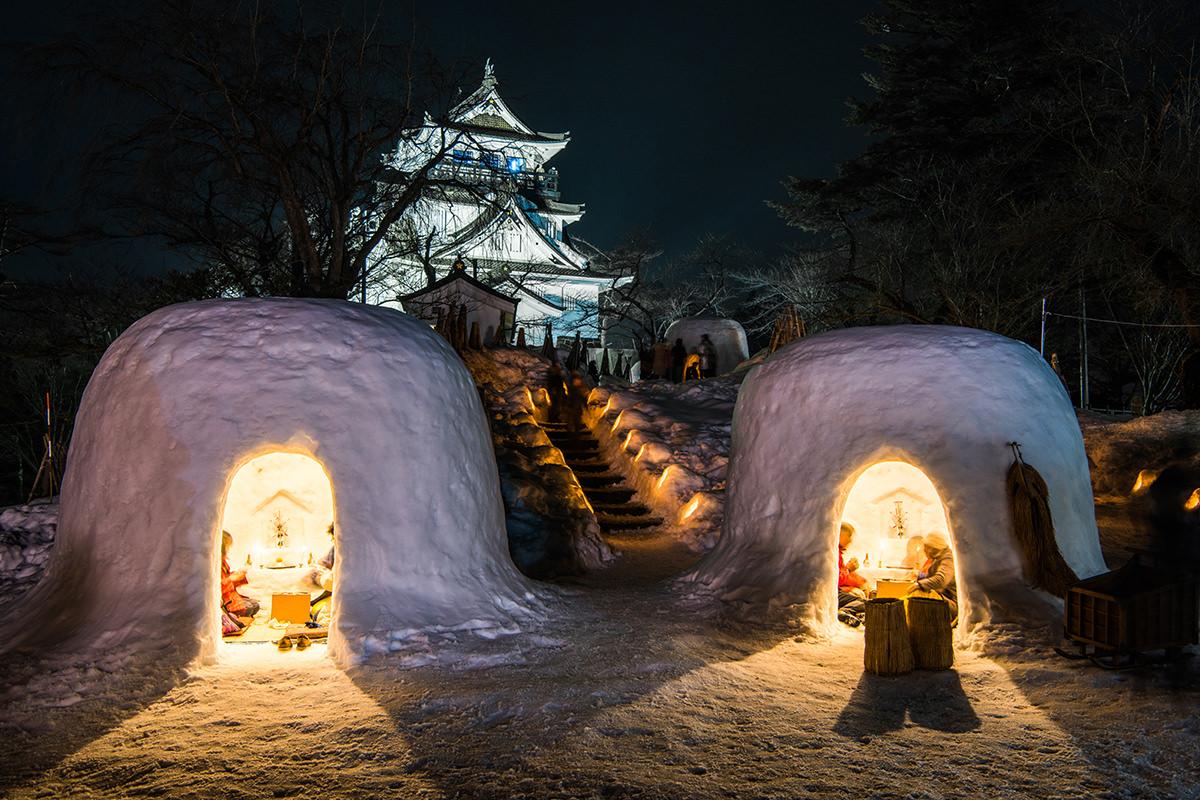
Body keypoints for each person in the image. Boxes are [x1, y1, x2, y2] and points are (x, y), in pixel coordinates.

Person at [909, 532, 958, 620]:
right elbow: (934, 577)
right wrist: (920, 576)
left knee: (917, 596)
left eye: (925, 548)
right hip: (944, 601)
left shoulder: (948, 558)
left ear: (931, 548)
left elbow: (941, 580)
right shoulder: (940, 558)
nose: (924, 551)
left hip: (950, 604)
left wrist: (919, 585)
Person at [221, 530, 260, 630]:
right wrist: (231, 579)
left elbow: (226, 577)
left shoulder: (223, 561)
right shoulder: (214, 562)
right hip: (226, 600)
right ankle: (233, 619)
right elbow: (219, 585)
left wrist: (237, 575)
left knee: (255, 605)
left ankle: (237, 619)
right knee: (249, 607)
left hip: (231, 595)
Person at [837, 522, 868, 626]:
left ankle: (857, 615)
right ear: (839, 534)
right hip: (833, 592)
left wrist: (862, 582)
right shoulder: (832, 553)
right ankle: (844, 612)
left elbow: (844, 574)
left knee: (863, 600)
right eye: (849, 536)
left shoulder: (838, 554)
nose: (850, 540)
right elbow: (836, 579)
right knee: (865, 603)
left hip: (838, 590)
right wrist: (848, 570)